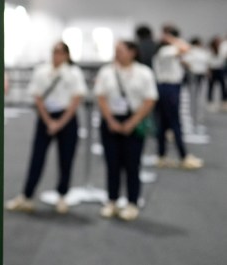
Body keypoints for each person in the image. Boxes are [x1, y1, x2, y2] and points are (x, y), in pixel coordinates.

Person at [5, 42, 84, 214]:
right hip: (46, 117)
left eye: (60, 52)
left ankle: (62, 195)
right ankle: (27, 195)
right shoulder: (42, 71)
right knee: (37, 157)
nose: (56, 55)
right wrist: (48, 121)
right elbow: (37, 96)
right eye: (54, 52)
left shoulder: (73, 73)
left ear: (67, 55)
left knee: (66, 159)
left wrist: (60, 123)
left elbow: (76, 99)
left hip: (66, 119)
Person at [94, 41, 157, 221]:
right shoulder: (106, 72)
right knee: (112, 163)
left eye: (120, 51)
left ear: (132, 52)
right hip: (111, 120)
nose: (117, 54)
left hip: (135, 119)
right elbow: (101, 96)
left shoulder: (144, 72)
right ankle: (112, 200)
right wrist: (110, 120)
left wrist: (132, 122)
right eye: (115, 51)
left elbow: (150, 99)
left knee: (132, 164)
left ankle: (132, 202)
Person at [152, 25, 203, 169]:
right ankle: (183, 156)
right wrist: (172, 39)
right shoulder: (166, 50)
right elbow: (186, 48)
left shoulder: (167, 52)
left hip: (167, 88)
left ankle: (161, 155)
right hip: (168, 88)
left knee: (163, 124)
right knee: (174, 123)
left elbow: (185, 57)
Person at [208, 36, 226, 111]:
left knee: (223, 86)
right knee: (211, 87)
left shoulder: (222, 49)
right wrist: (208, 71)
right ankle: (210, 102)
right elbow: (208, 61)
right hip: (213, 69)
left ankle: (224, 102)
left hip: (220, 69)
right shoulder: (210, 50)